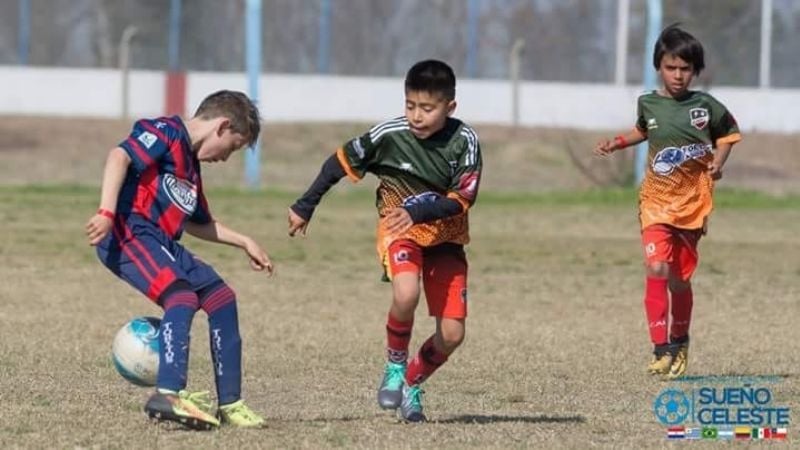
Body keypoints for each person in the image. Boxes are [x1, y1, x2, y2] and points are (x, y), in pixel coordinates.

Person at [287, 60, 482, 422]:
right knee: (406, 293)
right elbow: (338, 162)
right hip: (399, 229)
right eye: (410, 106)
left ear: (449, 107)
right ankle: (394, 366)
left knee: (453, 334)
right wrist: (305, 205)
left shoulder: (464, 142)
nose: (416, 116)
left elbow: (462, 199)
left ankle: (412, 382)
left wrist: (420, 212)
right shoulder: (389, 135)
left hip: (446, 239)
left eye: (428, 108)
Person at [85, 90, 274, 430]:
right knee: (182, 296)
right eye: (233, 146)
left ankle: (230, 403)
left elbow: (197, 222)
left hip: (161, 241)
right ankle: (168, 394)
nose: (227, 158)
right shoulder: (165, 131)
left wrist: (244, 241)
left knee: (221, 298)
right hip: (128, 233)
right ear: (222, 126)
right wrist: (106, 212)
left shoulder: (191, 169)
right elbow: (119, 156)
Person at [594, 25, 741, 380]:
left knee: (678, 280)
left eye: (685, 69)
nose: (678, 75)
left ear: (695, 71)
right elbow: (644, 130)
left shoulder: (706, 106)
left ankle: (680, 340)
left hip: (692, 204)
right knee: (656, 268)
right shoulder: (649, 102)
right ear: (659, 66)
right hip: (656, 202)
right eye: (671, 67)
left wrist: (719, 162)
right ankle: (660, 348)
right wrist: (618, 142)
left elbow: (729, 136)